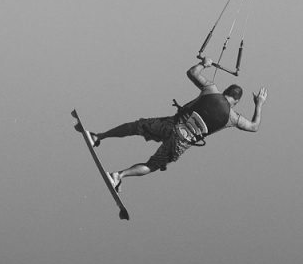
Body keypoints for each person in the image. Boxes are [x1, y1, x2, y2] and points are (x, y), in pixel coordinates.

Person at [89, 56, 268, 193]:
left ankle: (98, 136)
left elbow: (191, 73)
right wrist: (258, 104)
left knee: (136, 127)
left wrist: (204, 64)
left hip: (171, 125)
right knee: (152, 165)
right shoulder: (233, 117)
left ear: (226, 90)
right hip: (181, 142)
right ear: (236, 101)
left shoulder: (211, 89)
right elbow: (254, 127)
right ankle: (118, 176)